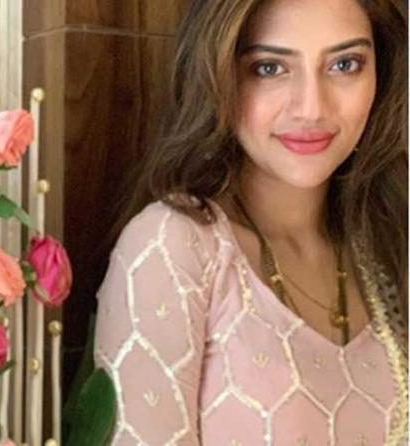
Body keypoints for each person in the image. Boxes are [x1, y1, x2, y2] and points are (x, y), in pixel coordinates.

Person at [93, 0, 408, 444]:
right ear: (217, 77)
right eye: (269, 68)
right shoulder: (174, 246)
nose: (311, 108)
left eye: (344, 64)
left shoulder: (387, 243)